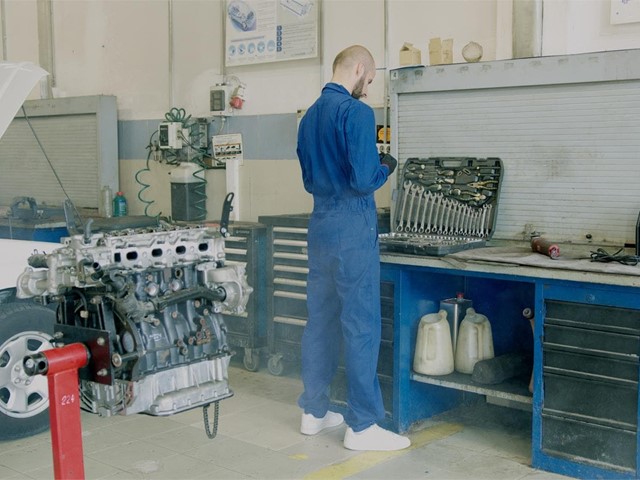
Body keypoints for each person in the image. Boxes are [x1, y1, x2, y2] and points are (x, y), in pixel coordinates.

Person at [296, 45, 410, 451]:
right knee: (360, 324)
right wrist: (387, 166)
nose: (369, 87)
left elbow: (309, 179)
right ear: (359, 68)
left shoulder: (308, 116)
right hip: (352, 225)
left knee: (320, 320)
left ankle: (313, 411)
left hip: (320, 224)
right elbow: (364, 179)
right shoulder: (358, 113)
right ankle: (361, 426)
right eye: (371, 79)